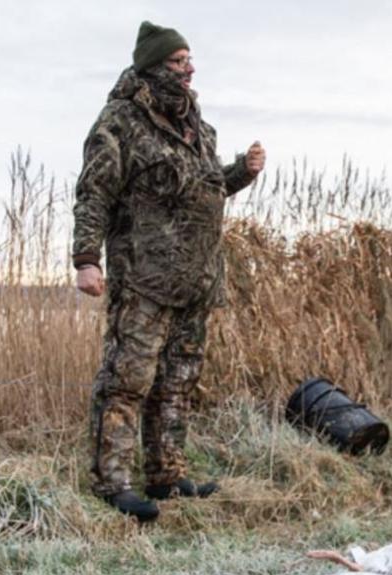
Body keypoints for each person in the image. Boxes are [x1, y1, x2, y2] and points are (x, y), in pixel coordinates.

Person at [72, 21, 266, 521]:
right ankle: (111, 482)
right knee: (125, 381)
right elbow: (95, 191)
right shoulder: (120, 121)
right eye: (180, 62)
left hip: (196, 281)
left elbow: (206, 185)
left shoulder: (195, 125)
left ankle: (166, 476)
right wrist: (87, 259)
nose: (190, 69)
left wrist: (241, 170)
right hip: (144, 278)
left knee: (177, 382)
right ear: (155, 66)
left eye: (189, 60)